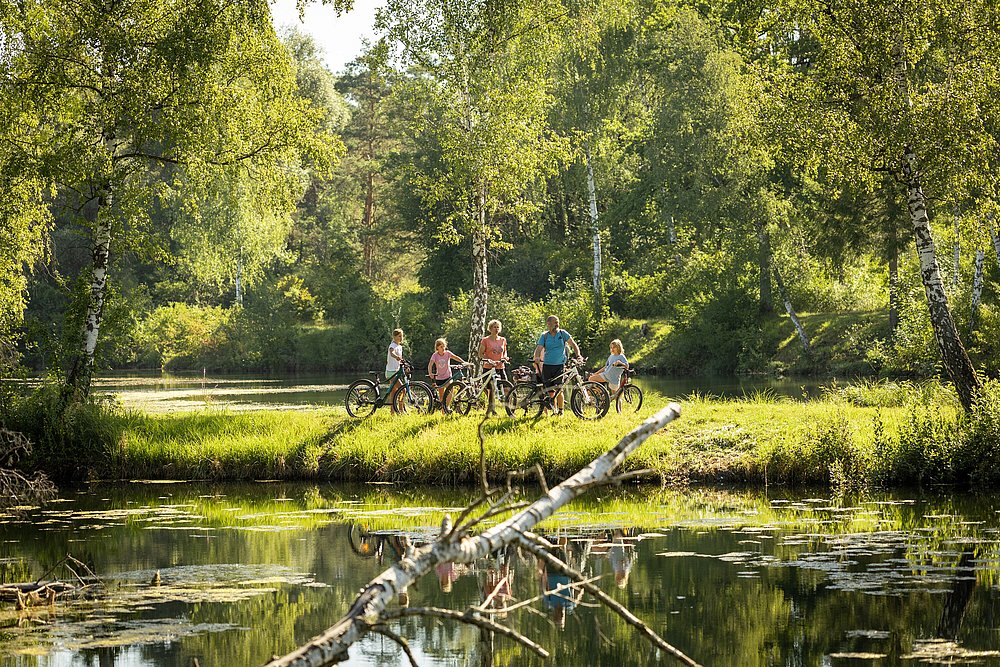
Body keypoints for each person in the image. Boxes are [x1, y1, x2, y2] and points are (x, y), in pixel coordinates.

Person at [533, 315, 582, 415]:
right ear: (549, 324)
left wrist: (578, 355)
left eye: (557, 322)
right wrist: (537, 357)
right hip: (547, 365)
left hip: (559, 365)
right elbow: (539, 348)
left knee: (559, 388)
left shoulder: (562, 333)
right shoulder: (544, 336)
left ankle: (561, 411)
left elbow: (573, 344)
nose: (557, 324)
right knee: (550, 391)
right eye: (554, 322)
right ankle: (553, 410)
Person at [428, 338, 466, 407]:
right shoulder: (435, 355)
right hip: (439, 378)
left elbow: (456, 357)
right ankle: (443, 409)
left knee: (450, 391)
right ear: (437, 347)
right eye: (441, 347)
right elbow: (430, 364)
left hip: (448, 377)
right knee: (442, 396)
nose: (443, 348)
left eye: (444, 346)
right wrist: (430, 373)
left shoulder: (448, 353)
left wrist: (464, 362)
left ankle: (447, 407)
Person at [386, 328, 405, 404]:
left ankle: (392, 411)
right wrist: (396, 356)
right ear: (394, 337)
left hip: (396, 371)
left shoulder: (400, 347)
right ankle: (400, 409)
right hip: (391, 372)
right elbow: (391, 352)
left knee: (393, 391)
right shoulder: (392, 345)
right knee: (403, 390)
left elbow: (399, 359)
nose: (401, 338)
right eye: (399, 336)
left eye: (401, 336)